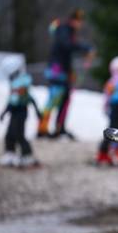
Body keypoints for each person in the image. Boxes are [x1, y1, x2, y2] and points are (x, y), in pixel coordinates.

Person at [38, 9, 93, 139]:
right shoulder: (64, 29)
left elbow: (67, 52)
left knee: (65, 99)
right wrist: (85, 48)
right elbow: (67, 45)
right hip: (57, 71)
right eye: (80, 21)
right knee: (54, 98)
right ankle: (42, 128)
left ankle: (59, 128)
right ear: (75, 20)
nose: (81, 24)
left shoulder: (68, 30)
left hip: (63, 71)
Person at [0, 56, 41, 168]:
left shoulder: (22, 83)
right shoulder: (16, 82)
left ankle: (27, 155)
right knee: (9, 134)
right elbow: (12, 100)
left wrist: (37, 111)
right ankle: (10, 153)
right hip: (15, 111)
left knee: (19, 134)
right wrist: (5, 112)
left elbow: (24, 99)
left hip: (21, 112)